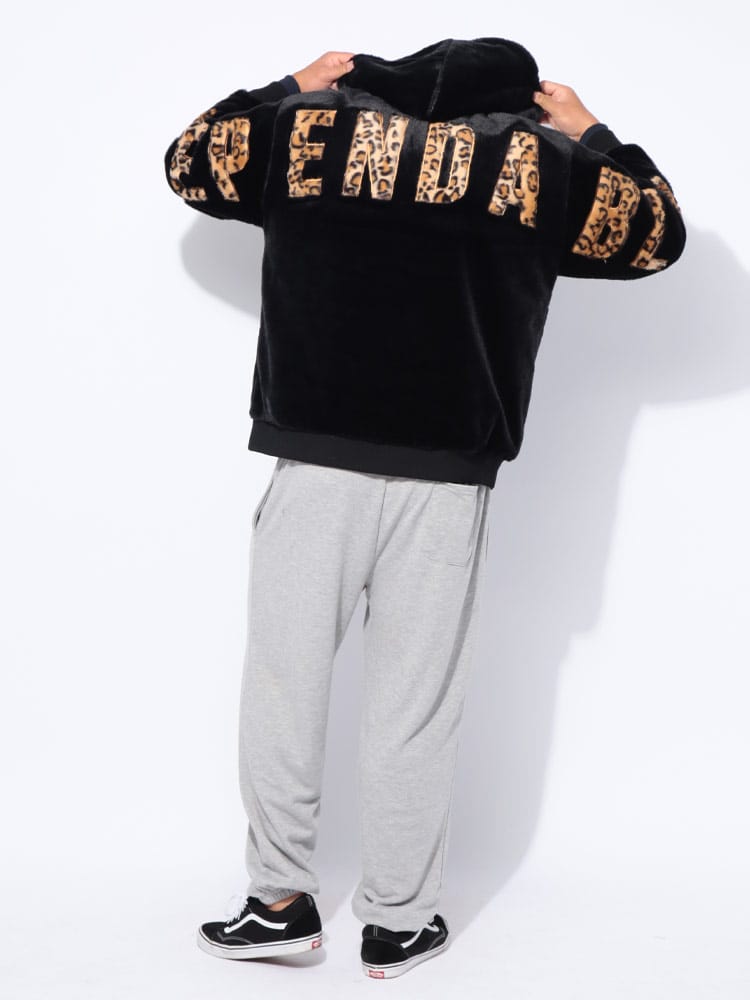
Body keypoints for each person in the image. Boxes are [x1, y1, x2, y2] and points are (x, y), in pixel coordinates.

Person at [163, 37, 686, 979]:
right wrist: (592, 131)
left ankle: (278, 903)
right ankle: (398, 923)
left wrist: (291, 84)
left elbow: (190, 160)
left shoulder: (305, 130)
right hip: (447, 473)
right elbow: (658, 234)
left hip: (315, 456)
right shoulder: (545, 163)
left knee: (283, 683)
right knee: (416, 706)